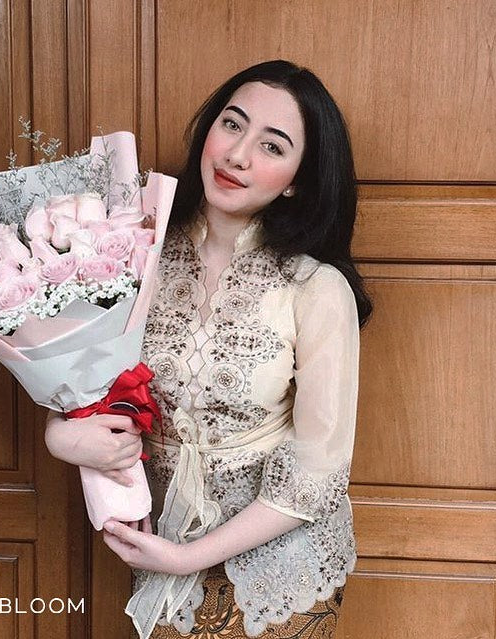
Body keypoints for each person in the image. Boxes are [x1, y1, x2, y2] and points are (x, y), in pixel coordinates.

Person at [45, 59, 373, 638]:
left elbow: (317, 470)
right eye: (232, 125)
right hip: (156, 541)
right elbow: (77, 381)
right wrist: (61, 436)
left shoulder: (315, 288)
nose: (238, 155)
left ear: (298, 177)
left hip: (277, 565)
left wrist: (190, 558)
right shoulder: (129, 255)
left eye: (272, 146)